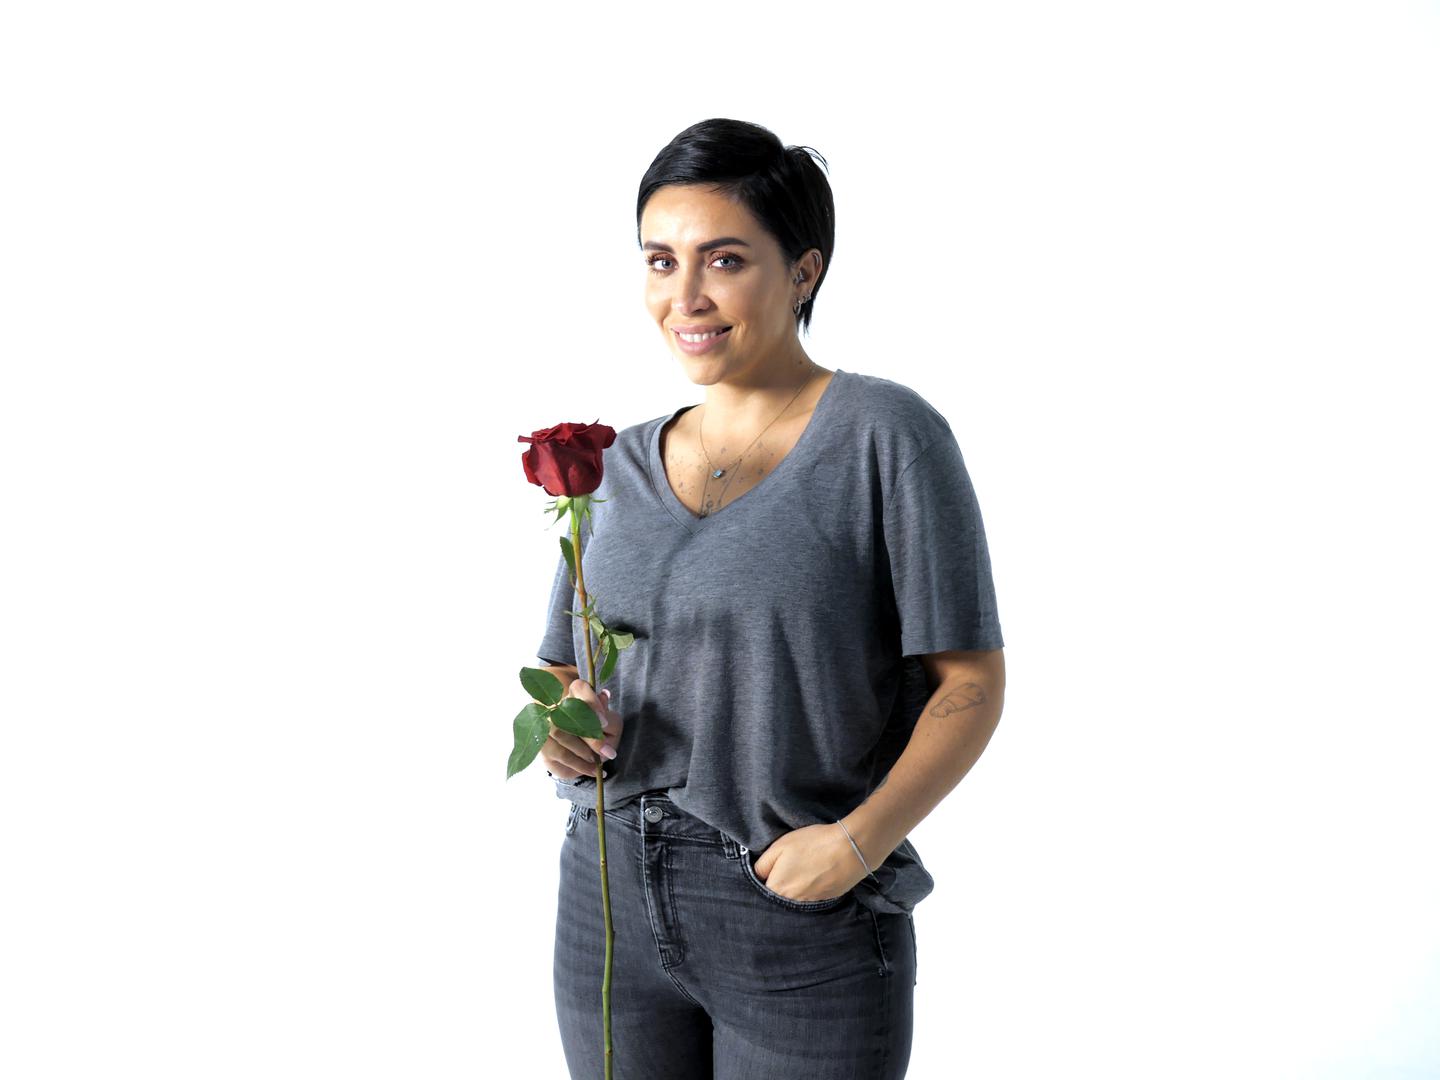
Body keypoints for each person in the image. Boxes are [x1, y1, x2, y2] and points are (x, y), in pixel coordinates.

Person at [532, 118, 1006, 1080]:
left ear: (803, 271)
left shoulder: (884, 435)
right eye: (660, 261)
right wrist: (560, 724)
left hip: (798, 918)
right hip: (605, 897)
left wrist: (860, 843)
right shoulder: (616, 463)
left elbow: (969, 681)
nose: (686, 296)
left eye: (725, 260)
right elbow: (561, 664)